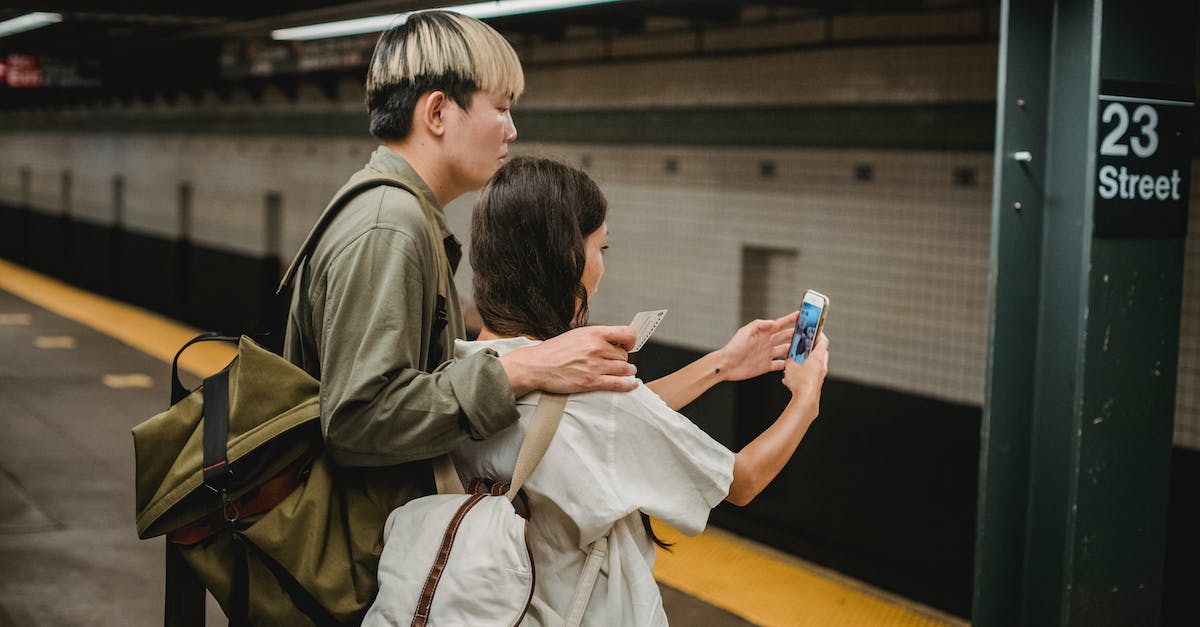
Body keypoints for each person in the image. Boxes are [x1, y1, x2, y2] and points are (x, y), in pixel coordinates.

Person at [452, 156, 831, 626]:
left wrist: (721, 364)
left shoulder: (463, 374)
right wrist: (806, 400)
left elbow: (598, 428)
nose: (601, 268)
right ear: (564, 259)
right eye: (602, 248)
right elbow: (742, 481)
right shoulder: (598, 409)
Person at [283, 11, 642, 471]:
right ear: (437, 113)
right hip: (361, 538)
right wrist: (523, 369)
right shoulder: (388, 226)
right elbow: (358, 422)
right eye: (501, 107)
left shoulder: (398, 213)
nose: (512, 130)